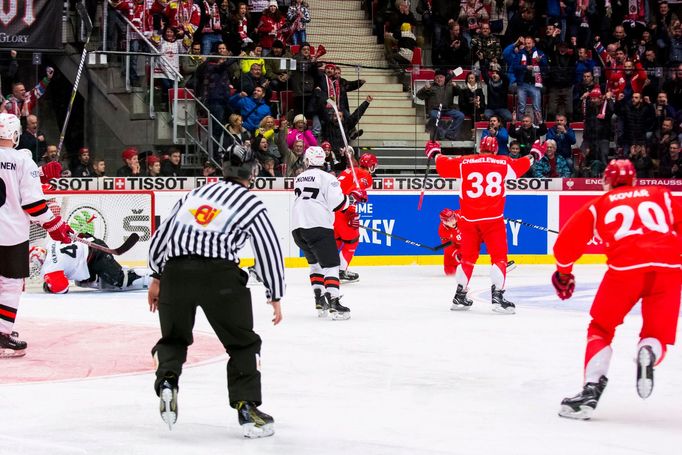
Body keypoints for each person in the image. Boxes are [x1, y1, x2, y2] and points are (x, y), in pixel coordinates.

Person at [148, 143, 285, 436]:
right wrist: (274, 293)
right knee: (242, 344)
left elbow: (162, 235)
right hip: (220, 278)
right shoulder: (250, 203)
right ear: (252, 171)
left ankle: (168, 381)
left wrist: (157, 276)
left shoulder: (194, 194)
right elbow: (268, 249)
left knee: (173, 339)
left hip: (175, 273)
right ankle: (247, 409)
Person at [552, 160, 682, 420]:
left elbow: (565, 245)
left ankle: (591, 390)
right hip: (669, 268)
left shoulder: (599, 204)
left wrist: (564, 274)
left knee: (601, 328)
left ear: (606, 182)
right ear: (634, 180)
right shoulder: (662, 195)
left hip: (625, 270)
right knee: (655, 333)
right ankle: (649, 351)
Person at [425, 135, 542, 313]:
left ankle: (460, 296)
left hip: (468, 220)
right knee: (499, 258)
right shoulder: (503, 163)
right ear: (496, 149)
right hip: (493, 220)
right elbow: (523, 165)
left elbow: (443, 166)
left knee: (468, 259)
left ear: (480, 148)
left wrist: (434, 153)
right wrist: (535, 153)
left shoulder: (465, 162)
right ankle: (497, 297)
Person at [0, 113, 74, 357]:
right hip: (10, 234)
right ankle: (2, 333)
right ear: (15, 134)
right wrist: (55, 226)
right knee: (10, 284)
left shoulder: (25, 163)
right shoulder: (22, 161)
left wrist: (40, 174)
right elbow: (31, 205)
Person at [291, 146, 364, 320]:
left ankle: (319, 300)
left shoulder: (299, 178)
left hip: (298, 228)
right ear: (323, 160)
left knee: (315, 265)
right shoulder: (327, 178)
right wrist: (353, 197)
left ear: (307, 161)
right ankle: (334, 302)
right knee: (331, 266)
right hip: (318, 226)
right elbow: (338, 204)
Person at [30, 237, 151, 294]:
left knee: (120, 281)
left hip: (96, 257)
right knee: (81, 281)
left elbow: (62, 289)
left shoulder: (50, 268)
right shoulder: (51, 243)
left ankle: (153, 278)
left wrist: (49, 285)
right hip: (92, 244)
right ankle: (113, 270)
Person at [334, 151, 377, 282]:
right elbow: (353, 193)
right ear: (370, 166)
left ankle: (327, 270)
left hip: (330, 210)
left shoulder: (348, 171)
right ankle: (341, 271)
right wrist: (351, 212)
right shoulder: (365, 176)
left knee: (337, 240)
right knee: (352, 241)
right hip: (343, 211)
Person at [438, 208, 463, 277]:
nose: (453, 221)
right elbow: (447, 246)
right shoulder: (442, 230)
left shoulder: (462, 215)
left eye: (453, 218)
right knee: (450, 273)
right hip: (455, 247)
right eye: (450, 220)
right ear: (444, 221)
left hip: (466, 244)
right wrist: (456, 253)